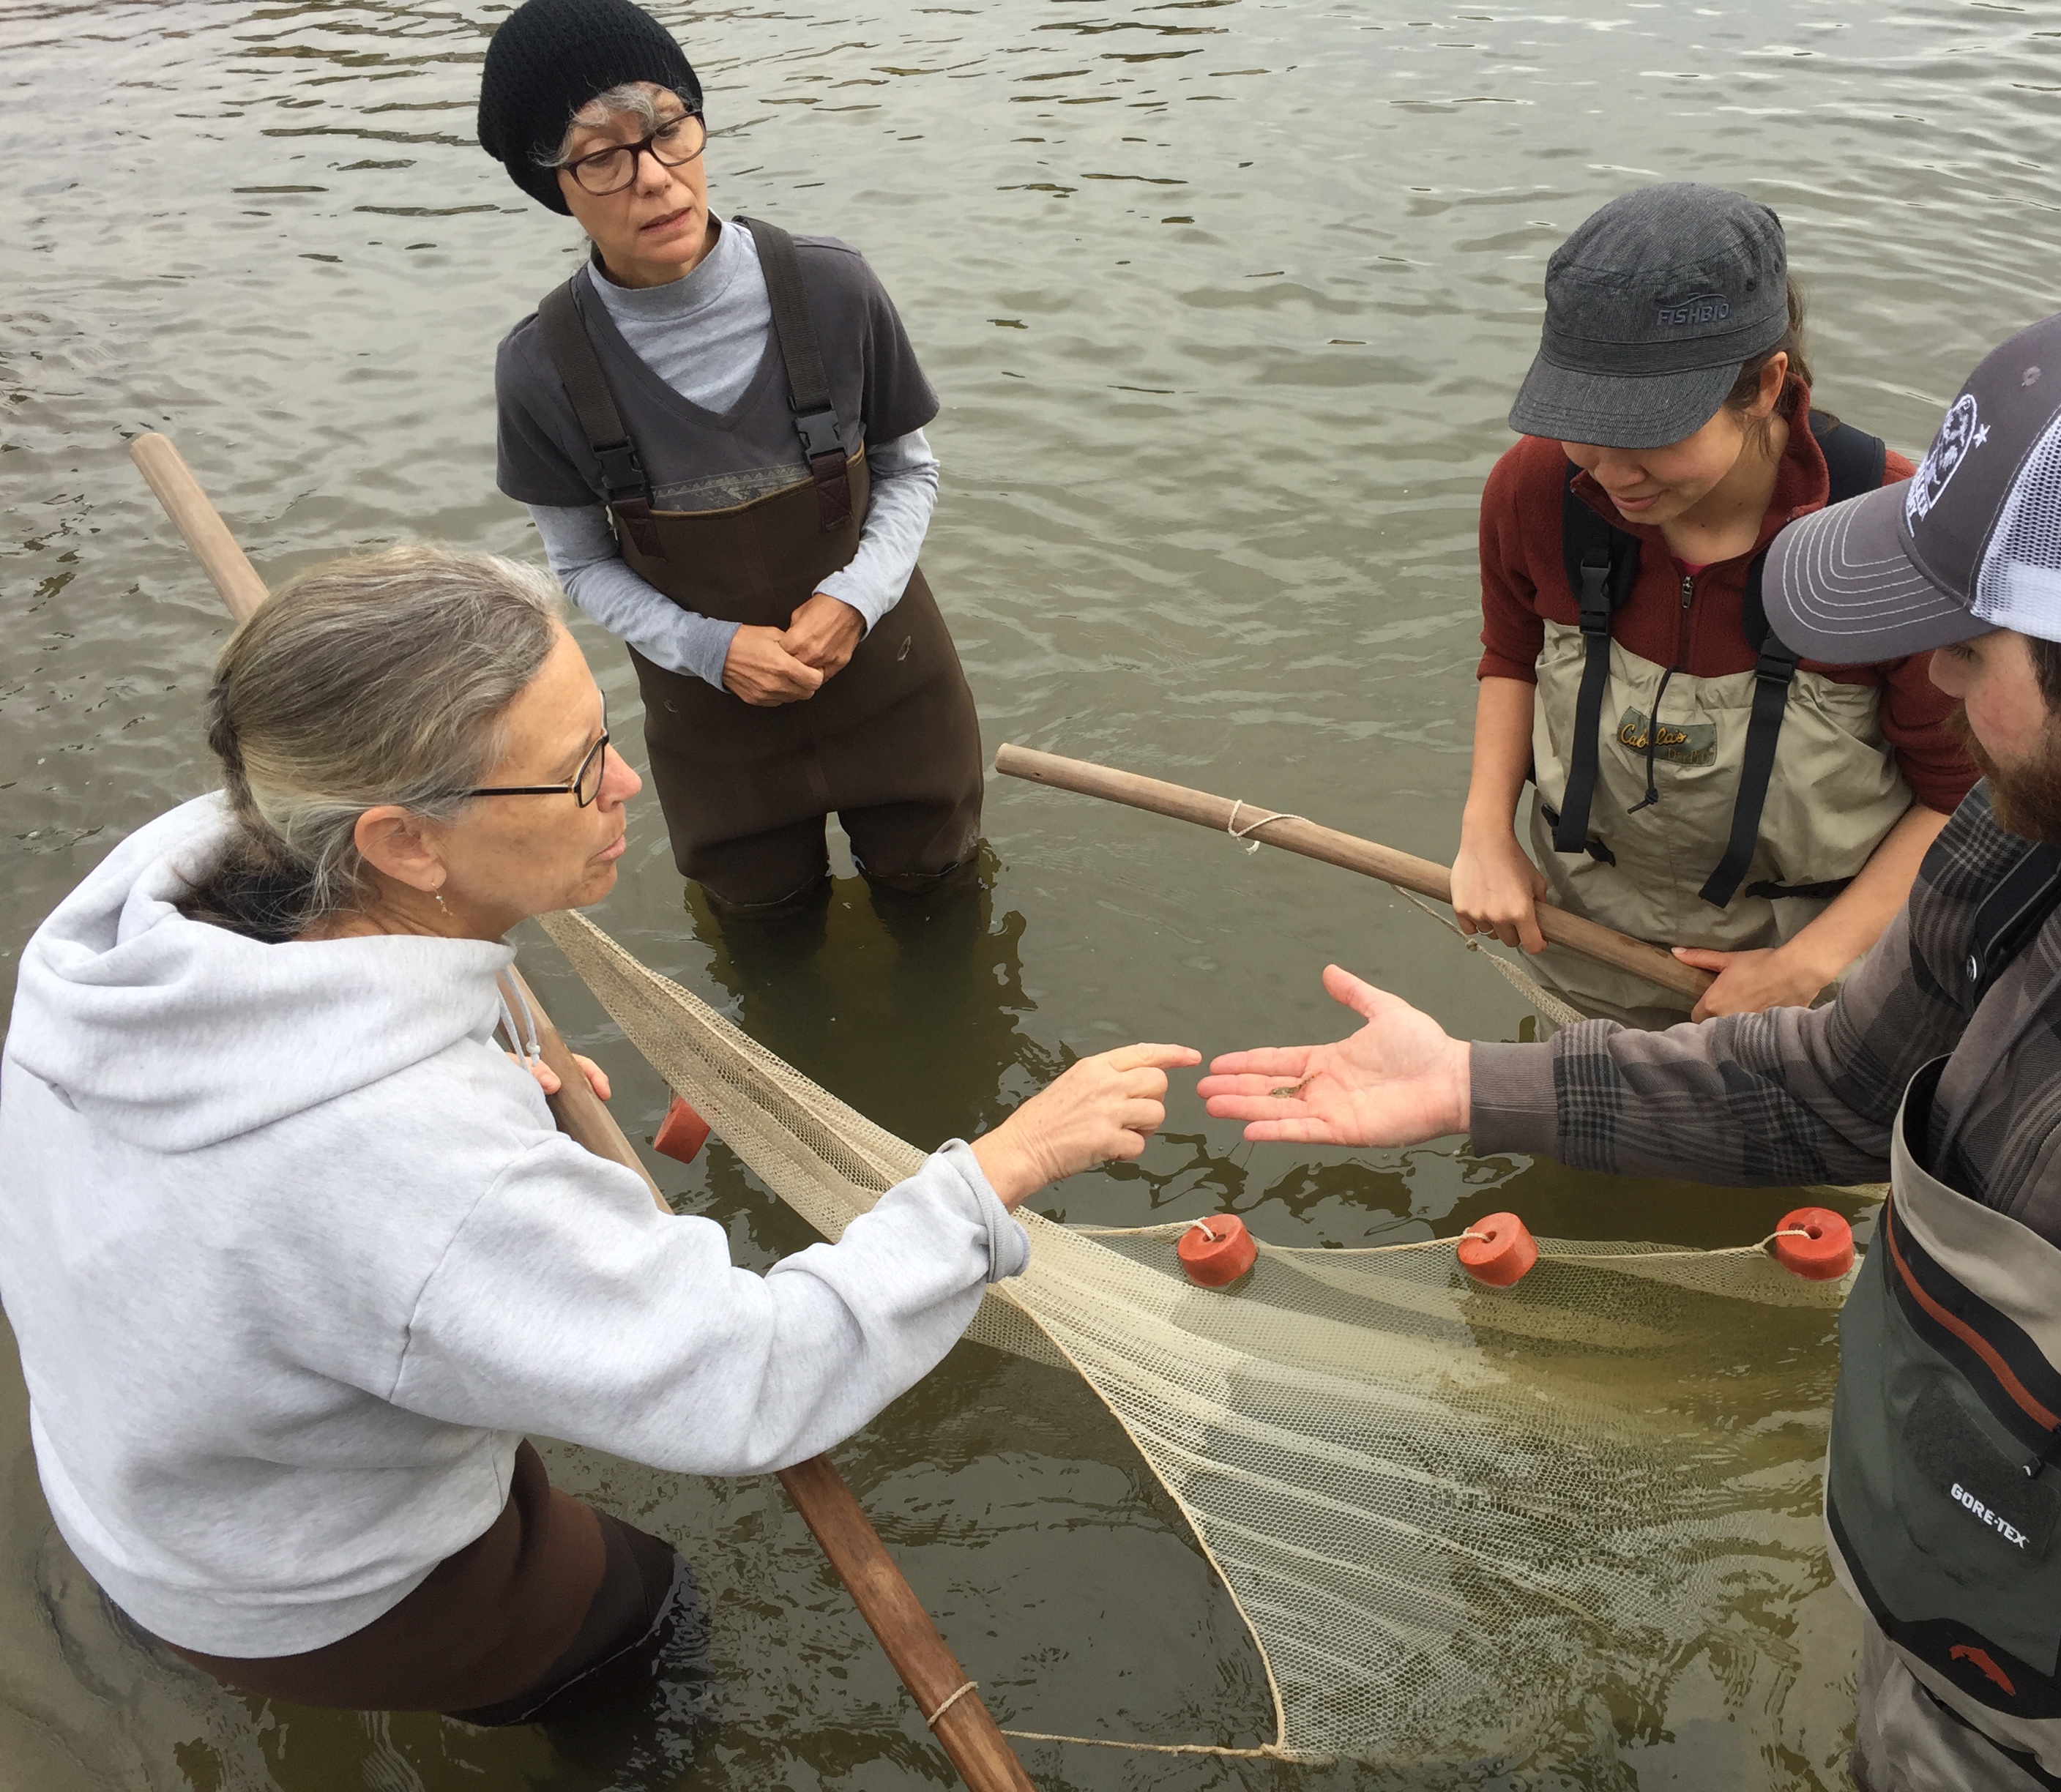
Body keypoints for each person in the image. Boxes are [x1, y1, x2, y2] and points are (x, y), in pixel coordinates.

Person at [1204, 277, 2061, 1788]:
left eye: (1968, 649)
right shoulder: (2036, 856)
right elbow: (1831, 1092)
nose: (1938, 688)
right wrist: (1470, 1086)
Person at [0, 548, 1193, 1723]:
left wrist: (496, 1076)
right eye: (578, 770)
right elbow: (752, 1378)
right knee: (635, 1618)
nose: (627, 784)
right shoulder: (415, 1172)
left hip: (133, 1468)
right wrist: (998, 1172)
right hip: (302, 1585)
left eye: (607, 734)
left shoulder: (154, 905)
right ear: (401, 841)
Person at [478, 0, 982, 921]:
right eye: (602, 156)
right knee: (764, 933)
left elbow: (910, 472)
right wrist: (710, 650)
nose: (656, 179)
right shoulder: (539, 368)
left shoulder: (836, 289)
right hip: (714, 735)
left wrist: (853, 598)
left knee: (943, 907)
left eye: (669, 129)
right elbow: (581, 565)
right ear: (554, 184)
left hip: (894, 686)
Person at [1457, 184, 1977, 1028]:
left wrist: (1805, 965)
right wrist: (1486, 835)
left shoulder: (1898, 542)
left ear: (1767, 385)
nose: (1612, 476)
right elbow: (1512, 655)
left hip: (1821, 976)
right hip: (1589, 940)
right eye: (1583, 426)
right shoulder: (1535, 490)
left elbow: (1966, 799)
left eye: (1652, 435)